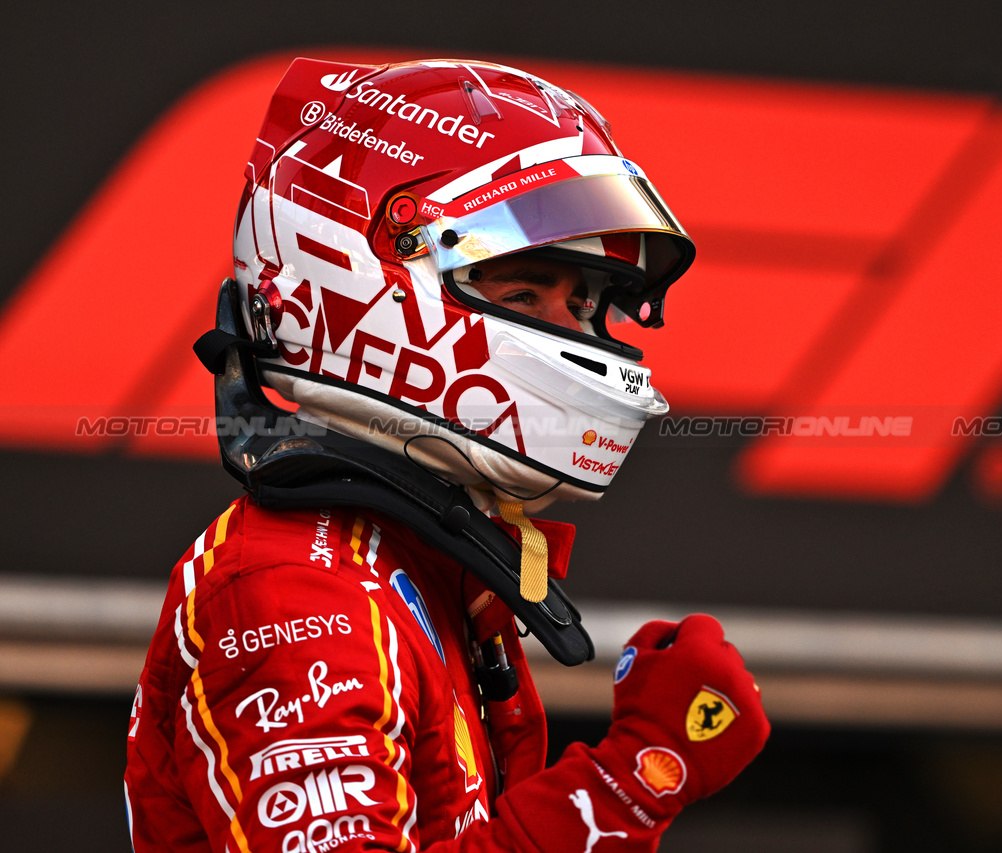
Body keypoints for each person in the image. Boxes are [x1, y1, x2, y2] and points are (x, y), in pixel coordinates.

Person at [124, 57, 769, 852]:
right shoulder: (296, 593)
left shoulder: (418, 567)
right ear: (365, 282)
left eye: (586, 304)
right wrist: (636, 777)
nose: (574, 333)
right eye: (526, 295)